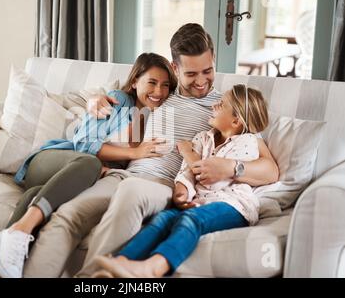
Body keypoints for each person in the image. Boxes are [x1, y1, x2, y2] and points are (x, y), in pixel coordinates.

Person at [21, 23, 278, 278]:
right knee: (67, 215)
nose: (201, 82)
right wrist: (94, 100)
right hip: (125, 176)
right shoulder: (161, 93)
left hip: (167, 184)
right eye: (191, 74)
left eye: (208, 71)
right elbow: (124, 95)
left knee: (131, 191)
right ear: (175, 69)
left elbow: (269, 168)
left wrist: (233, 167)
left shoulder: (226, 108)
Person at [0, 52, 177, 278]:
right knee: (90, 162)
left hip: (71, 181)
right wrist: (133, 152)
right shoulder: (116, 101)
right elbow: (84, 144)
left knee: (35, 195)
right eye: (152, 82)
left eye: (165, 85)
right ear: (136, 79)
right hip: (53, 161)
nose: (159, 91)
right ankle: (19, 233)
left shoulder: (156, 117)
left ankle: (6, 259)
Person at [92, 84, 269, 278]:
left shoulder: (247, 142)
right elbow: (186, 172)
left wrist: (188, 152)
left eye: (221, 105)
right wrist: (182, 190)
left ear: (236, 121)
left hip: (233, 205)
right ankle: (121, 263)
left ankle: (153, 268)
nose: (214, 105)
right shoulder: (203, 137)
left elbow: (212, 180)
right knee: (163, 219)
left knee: (190, 219)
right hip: (201, 201)